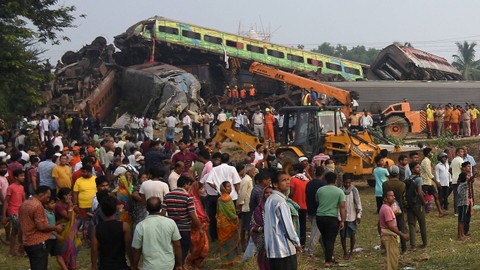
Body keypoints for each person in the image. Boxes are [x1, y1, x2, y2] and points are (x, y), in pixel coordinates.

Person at [18, 186, 64, 270]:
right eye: (47, 197)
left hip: (27, 242)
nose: (47, 199)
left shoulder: (24, 203)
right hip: (38, 242)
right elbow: (41, 226)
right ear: (41, 195)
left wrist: (21, 242)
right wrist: (55, 227)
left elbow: (20, 225)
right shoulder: (38, 206)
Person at [132, 197, 183, 270]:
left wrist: (135, 266)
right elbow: (177, 245)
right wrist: (179, 264)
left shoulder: (141, 226)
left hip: (149, 266)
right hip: (168, 265)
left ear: (146, 208)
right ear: (161, 207)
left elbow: (137, 250)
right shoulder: (170, 222)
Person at [264, 172, 302, 270]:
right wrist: (297, 243)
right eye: (284, 180)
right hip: (284, 250)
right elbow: (288, 227)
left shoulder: (270, 199)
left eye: (288, 179)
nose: (288, 182)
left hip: (272, 249)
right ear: (276, 184)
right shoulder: (280, 202)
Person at [161, 176, 200, 264]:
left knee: (171, 248)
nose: (189, 188)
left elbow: (163, 213)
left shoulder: (167, 196)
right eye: (189, 185)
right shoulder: (188, 197)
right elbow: (192, 215)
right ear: (185, 185)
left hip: (170, 227)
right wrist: (199, 227)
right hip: (184, 227)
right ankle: (179, 265)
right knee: (183, 248)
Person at [91, 196, 132, 270]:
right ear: (115, 209)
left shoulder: (96, 228)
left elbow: (94, 250)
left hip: (104, 266)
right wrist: (133, 264)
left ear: (102, 211)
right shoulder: (124, 226)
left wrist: (93, 266)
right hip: (121, 265)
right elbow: (128, 247)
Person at [316, 172, 346, 267]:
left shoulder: (320, 190)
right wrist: (342, 221)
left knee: (325, 238)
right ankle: (328, 261)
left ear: (325, 179)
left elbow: (318, 202)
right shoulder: (339, 192)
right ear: (336, 180)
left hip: (320, 217)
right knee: (330, 239)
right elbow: (342, 207)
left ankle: (329, 257)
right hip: (332, 218)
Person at [378, 190, 409, 270]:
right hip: (389, 236)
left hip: (387, 235)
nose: (393, 197)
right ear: (385, 199)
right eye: (391, 196)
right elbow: (390, 226)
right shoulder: (387, 209)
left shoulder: (385, 207)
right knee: (392, 260)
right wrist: (402, 235)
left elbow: (379, 223)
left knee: (392, 258)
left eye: (393, 195)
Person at [382, 165, 407, 254]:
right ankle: (404, 248)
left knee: (388, 228)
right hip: (399, 209)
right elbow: (404, 198)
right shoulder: (402, 184)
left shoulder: (385, 184)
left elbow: (384, 195)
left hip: (388, 208)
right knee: (401, 227)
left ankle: (387, 248)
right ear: (398, 173)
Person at [217, 181, 242, 267]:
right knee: (229, 242)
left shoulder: (220, 199)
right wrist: (235, 218)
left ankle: (226, 262)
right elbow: (230, 212)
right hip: (228, 224)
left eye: (230, 186)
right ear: (223, 188)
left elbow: (218, 212)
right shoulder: (227, 198)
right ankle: (229, 262)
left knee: (224, 242)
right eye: (228, 186)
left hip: (221, 224)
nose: (230, 188)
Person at [55, 188, 81, 270]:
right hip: (63, 230)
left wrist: (72, 204)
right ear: (64, 196)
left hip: (71, 231)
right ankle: (65, 265)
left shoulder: (69, 203)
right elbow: (68, 217)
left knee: (73, 247)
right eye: (69, 195)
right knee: (66, 248)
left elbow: (77, 212)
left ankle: (71, 264)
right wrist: (70, 206)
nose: (70, 196)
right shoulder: (58, 205)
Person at [186, 182, 210, 270]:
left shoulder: (198, 199)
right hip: (195, 228)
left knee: (204, 248)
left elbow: (201, 212)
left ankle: (196, 264)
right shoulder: (192, 200)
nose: (202, 190)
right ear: (196, 189)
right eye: (200, 189)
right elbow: (194, 215)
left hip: (201, 227)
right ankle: (188, 262)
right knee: (197, 248)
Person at [3, 169, 26, 256]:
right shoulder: (11, 187)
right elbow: (6, 201)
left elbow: (23, 200)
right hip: (13, 211)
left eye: (23, 175)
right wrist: (4, 215)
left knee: (15, 231)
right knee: (19, 230)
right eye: (21, 176)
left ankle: (13, 251)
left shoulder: (22, 187)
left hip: (20, 211)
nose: (23, 177)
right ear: (16, 177)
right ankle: (19, 250)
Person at [340, 173, 362, 260]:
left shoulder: (354, 190)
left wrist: (359, 215)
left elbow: (358, 202)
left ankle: (351, 251)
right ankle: (345, 252)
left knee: (352, 234)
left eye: (349, 183)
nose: (347, 184)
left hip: (352, 215)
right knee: (343, 235)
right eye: (346, 183)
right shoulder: (340, 190)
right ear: (343, 182)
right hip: (342, 216)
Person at [250, 186, 273, 270]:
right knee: (263, 257)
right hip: (262, 238)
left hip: (275, 238)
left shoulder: (277, 207)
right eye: (266, 193)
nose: (269, 194)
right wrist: (262, 229)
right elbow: (253, 224)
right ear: (263, 195)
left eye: (271, 193)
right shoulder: (258, 209)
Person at [405, 162, 427, 250]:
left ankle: (413, 245)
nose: (419, 169)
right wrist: (424, 202)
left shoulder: (408, 179)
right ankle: (424, 243)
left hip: (410, 204)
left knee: (411, 224)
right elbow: (419, 192)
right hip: (418, 204)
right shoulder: (418, 179)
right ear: (412, 169)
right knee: (422, 223)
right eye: (417, 167)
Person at [305, 166, 326, 257]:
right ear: (323, 174)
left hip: (310, 208)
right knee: (315, 232)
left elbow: (306, 197)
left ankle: (326, 249)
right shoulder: (322, 184)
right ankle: (310, 252)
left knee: (320, 232)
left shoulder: (309, 183)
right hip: (318, 210)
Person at [420, 147, 448, 217]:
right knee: (422, 198)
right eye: (431, 152)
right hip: (425, 182)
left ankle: (440, 212)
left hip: (429, 182)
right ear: (428, 153)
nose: (432, 153)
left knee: (436, 196)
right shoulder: (425, 161)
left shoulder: (428, 161)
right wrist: (436, 182)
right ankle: (420, 213)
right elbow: (429, 174)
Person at [73, 165, 97, 242]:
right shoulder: (78, 180)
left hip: (94, 206)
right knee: (84, 222)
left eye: (84, 172)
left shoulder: (95, 179)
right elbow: (75, 193)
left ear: (90, 172)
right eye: (82, 172)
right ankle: (86, 239)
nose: (82, 173)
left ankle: (92, 238)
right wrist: (75, 204)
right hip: (83, 206)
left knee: (93, 223)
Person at [43, 197, 67, 270]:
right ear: (46, 205)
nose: (54, 205)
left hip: (54, 237)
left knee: (58, 254)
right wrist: (56, 234)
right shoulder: (44, 214)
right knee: (44, 256)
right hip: (48, 237)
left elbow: (53, 224)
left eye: (54, 203)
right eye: (52, 203)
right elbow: (46, 226)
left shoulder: (52, 212)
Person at [289, 163, 309, 247]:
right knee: (303, 224)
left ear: (296, 170)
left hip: (294, 205)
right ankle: (302, 242)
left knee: (294, 224)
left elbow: (292, 192)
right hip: (304, 205)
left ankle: (294, 241)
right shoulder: (306, 180)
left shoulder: (293, 179)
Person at [237, 164, 255, 249]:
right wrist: (241, 204)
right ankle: (244, 243)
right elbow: (242, 193)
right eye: (253, 170)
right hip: (246, 206)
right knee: (245, 226)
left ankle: (246, 243)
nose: (254, 172)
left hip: (248, 205)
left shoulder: (249, 179)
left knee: (247, 225)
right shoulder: (246, 180)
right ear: (249, 171)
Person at [457, 162, 474, 240]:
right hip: (463, 204)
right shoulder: (463, 184)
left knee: (462, 220)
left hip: (464, 203)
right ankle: (460, 235)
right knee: (461, 220)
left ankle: (462, 234)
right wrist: (475, 175)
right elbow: (469, 180)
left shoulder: (462, 184)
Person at [451, 148, 464, 215]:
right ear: (457, 153)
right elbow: (463, 169)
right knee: (461, 196)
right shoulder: (460, 160)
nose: (462, 153)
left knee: (456, 195)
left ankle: (456, 211)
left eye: (463, 152)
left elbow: (449, 170)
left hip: (454, 179)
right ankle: (460, 210)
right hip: (460, 180)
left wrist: (454, 174)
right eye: (461, 152)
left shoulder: (453, 160)